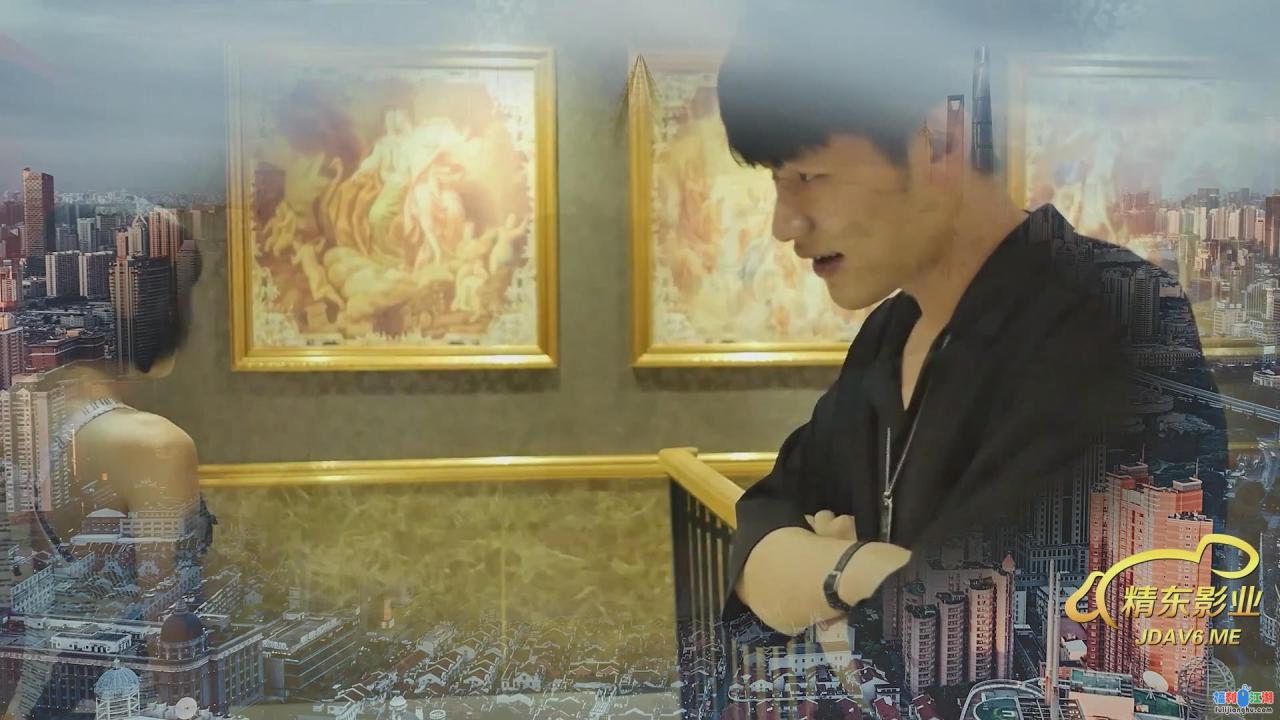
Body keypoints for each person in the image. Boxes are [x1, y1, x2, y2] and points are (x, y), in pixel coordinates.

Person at [713, 0, 1225, 702]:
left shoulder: (1117, 314)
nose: (784, 223)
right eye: (777, 181)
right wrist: (854, 570)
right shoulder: (890, 332)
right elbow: (763, 529)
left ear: (939, 138)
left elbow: (983, 635)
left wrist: (830, 579)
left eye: (810, 176)